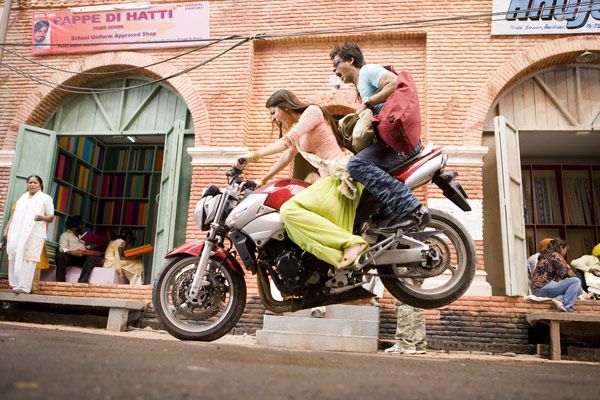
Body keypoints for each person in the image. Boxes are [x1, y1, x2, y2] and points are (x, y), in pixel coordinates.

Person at [238, 89, 368, 269]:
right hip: (329, 181)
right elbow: (286, 157)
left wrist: (253, 156)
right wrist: (262, 180)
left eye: (273, 112)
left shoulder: (312, 112)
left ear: (284, 107)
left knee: (289, 211)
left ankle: (353, 242)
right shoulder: (300, 132)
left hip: (340, 177)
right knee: (291, 228)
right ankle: (337, 261)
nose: (274, 119)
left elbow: (286, 142)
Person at [329, 42, 429, 229]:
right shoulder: (359, 88)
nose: (334, 71)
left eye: (336, 64)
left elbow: (395, 83)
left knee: (357, 165)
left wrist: (368, 103)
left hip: (399, 145)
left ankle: (413, 208)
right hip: (389, 144)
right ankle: (386, 217)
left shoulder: (367, 71)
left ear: (350, 60)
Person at [2, 175, 54, 294]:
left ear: (40, 184)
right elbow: (14, 215)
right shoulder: (22, 198)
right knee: (14, 256)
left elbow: (51, 217)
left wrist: (42, 218)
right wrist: (7, 229)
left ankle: (24, 286)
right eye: (30, 182)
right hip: (17, 231)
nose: (32, 184)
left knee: (29, 258)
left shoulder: (45, 198)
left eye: (35, 182)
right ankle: (14, 284)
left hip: (34, 233)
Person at [530, 238, 582, 312]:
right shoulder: (556, 255)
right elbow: (570, 274)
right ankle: (567, 308)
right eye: (565, 249)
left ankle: (557, 300)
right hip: (542, 288)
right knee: (576, 281)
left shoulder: (546, 255)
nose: (565, 252)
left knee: (578, 290)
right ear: (561, 247)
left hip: (537, 290)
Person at [384, 279, 427, 355]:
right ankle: (419, 345)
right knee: (417, 301)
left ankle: (404, 345)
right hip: (419, 269)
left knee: (403, 299)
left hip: (404, 268)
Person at [57, 215, 102, 283]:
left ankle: (82, 280)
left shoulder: (81, 237)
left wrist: (92, 247)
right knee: (61, 256)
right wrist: (71, 252)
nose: (82, 227)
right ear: (75, 227)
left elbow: (83, 248)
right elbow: (62, 248)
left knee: (92, 258)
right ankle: (60, 281)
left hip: (80, 258)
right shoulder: (65, 235)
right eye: (80, 225)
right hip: (70, 258)